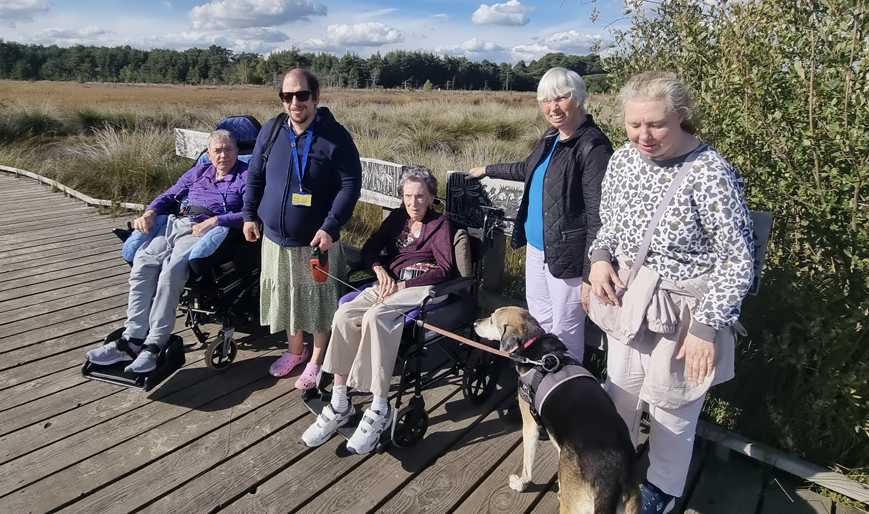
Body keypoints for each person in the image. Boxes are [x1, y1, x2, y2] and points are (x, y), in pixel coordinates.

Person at [586, 71, 755, 514]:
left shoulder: (710, 173)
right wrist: (600, 258)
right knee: (618, 393)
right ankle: (614, 469)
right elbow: (608, 225)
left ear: (681, 117)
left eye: (656, 124)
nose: (643, 135)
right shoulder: (622, 160)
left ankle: (660, 490)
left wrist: (705, 328)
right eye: (634, 124)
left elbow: (737, 260)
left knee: (673, 411)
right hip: (630, 299)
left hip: (687, 312)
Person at [300, 166, 453, 454]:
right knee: (344, 315)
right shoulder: (397, 218)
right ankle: (340, 402)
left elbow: (444, 270)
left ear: (432, 197)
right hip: (388, 282)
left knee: (375, 317)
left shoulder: (441, 225)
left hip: (418, 287)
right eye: (408, 196)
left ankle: (380, 408)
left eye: (420, 196)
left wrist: (405, 287)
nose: (413, 203)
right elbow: (371, 248)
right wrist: (379, 269)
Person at [467, 67, 613, 363]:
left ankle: (568, 394)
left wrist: (589, 272)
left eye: (560, 98)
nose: (552, 107)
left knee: (566, 330)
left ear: (579, 98)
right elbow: (528, 168)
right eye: (546, 100)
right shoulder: (552, 137)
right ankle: (540, 382)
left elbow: (600, 216)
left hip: (568, 258)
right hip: (537, 249)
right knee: (539, 323)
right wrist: (487, 170)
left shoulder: (592, 146)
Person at [88, 130, 248, 373]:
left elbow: (252, 213)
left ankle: (154, 344)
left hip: (203, 230)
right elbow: (169, 195)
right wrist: (150, 212)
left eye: (228, 149)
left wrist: (216, 221)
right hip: (176, 223)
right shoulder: (198, 172)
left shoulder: (246, 177)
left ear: (237, 152)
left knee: (170, 272)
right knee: (143, 262)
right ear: (208, 154)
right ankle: (131, 340)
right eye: (217, 150)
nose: (223, 155)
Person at [243, 68, 362, 389]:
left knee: (319, 300)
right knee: (287, 295)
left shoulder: (335, 137)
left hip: (316, 242)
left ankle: (317, 358)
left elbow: (350, 186)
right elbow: (254, 176)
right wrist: (249, 215)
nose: (295, 102)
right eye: (287, 96)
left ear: (316, 97)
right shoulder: (271, 130)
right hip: (274, 240)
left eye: (302, 95)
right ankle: (295, 350)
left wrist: (330, 227)